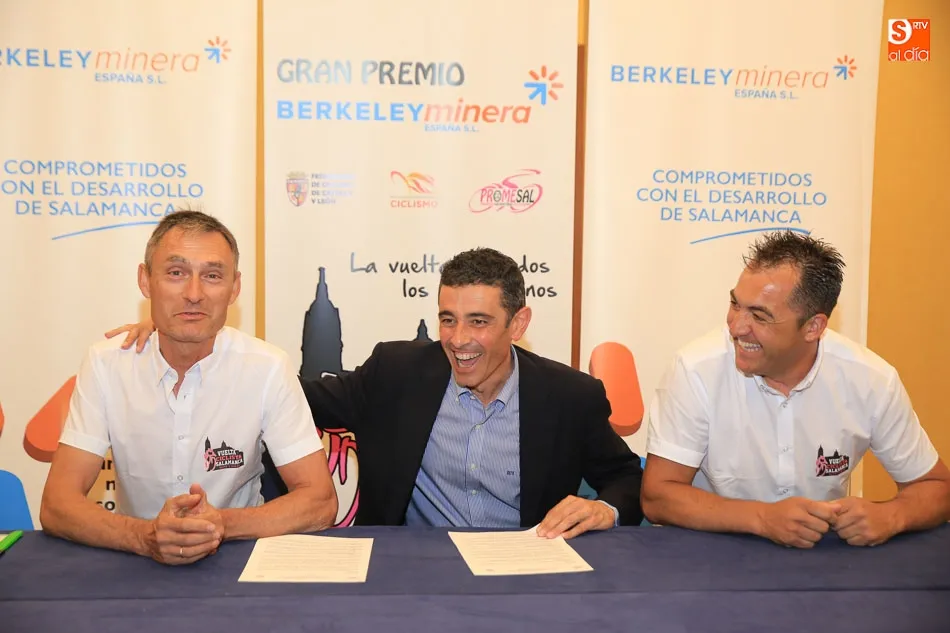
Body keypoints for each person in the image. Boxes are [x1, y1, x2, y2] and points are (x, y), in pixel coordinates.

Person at [111, 247, 644, 538]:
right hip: (405, 576)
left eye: (479, 322)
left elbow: (625, 478)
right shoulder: (397, 372)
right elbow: (286, 394)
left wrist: (606, 510)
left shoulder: (570, 396)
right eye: (448, 319)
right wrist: (181, 337)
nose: (458, 340)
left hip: (525, 575)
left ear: (519, 323)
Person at [40, 210, 338, 565]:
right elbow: (57, 504)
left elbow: (320, 502)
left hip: (238, 561)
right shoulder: (107, 364)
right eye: (176, 273)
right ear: (146, 280)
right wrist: (144, 536)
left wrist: (220, 524)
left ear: (234, 288)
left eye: (212, 276)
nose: (194, 294)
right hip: (135, 564)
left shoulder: (268, 367)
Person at [641, 231, 950, 548]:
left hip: (822, 558)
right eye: (735, 304)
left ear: (813, 327)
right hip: (712, 554)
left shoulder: (871, 379)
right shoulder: (696, 369)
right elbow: (658, 496)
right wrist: (762, 519)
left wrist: (891, 516)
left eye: (759, 316)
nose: (736, 327)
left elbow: (937, 487)